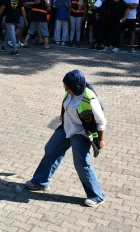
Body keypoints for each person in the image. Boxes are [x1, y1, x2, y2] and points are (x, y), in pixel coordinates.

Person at [25, 70, 107, 208]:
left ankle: (96, 196)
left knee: (81, 163)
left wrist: (101, 140)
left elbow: (101, 122)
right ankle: (40, 182)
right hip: (66, 127)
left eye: (68, 87)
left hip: (81, 133)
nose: (66, 90)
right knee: (51, 150)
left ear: (76, 86)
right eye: (65, 87)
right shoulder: (70, 92)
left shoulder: (89, 99)